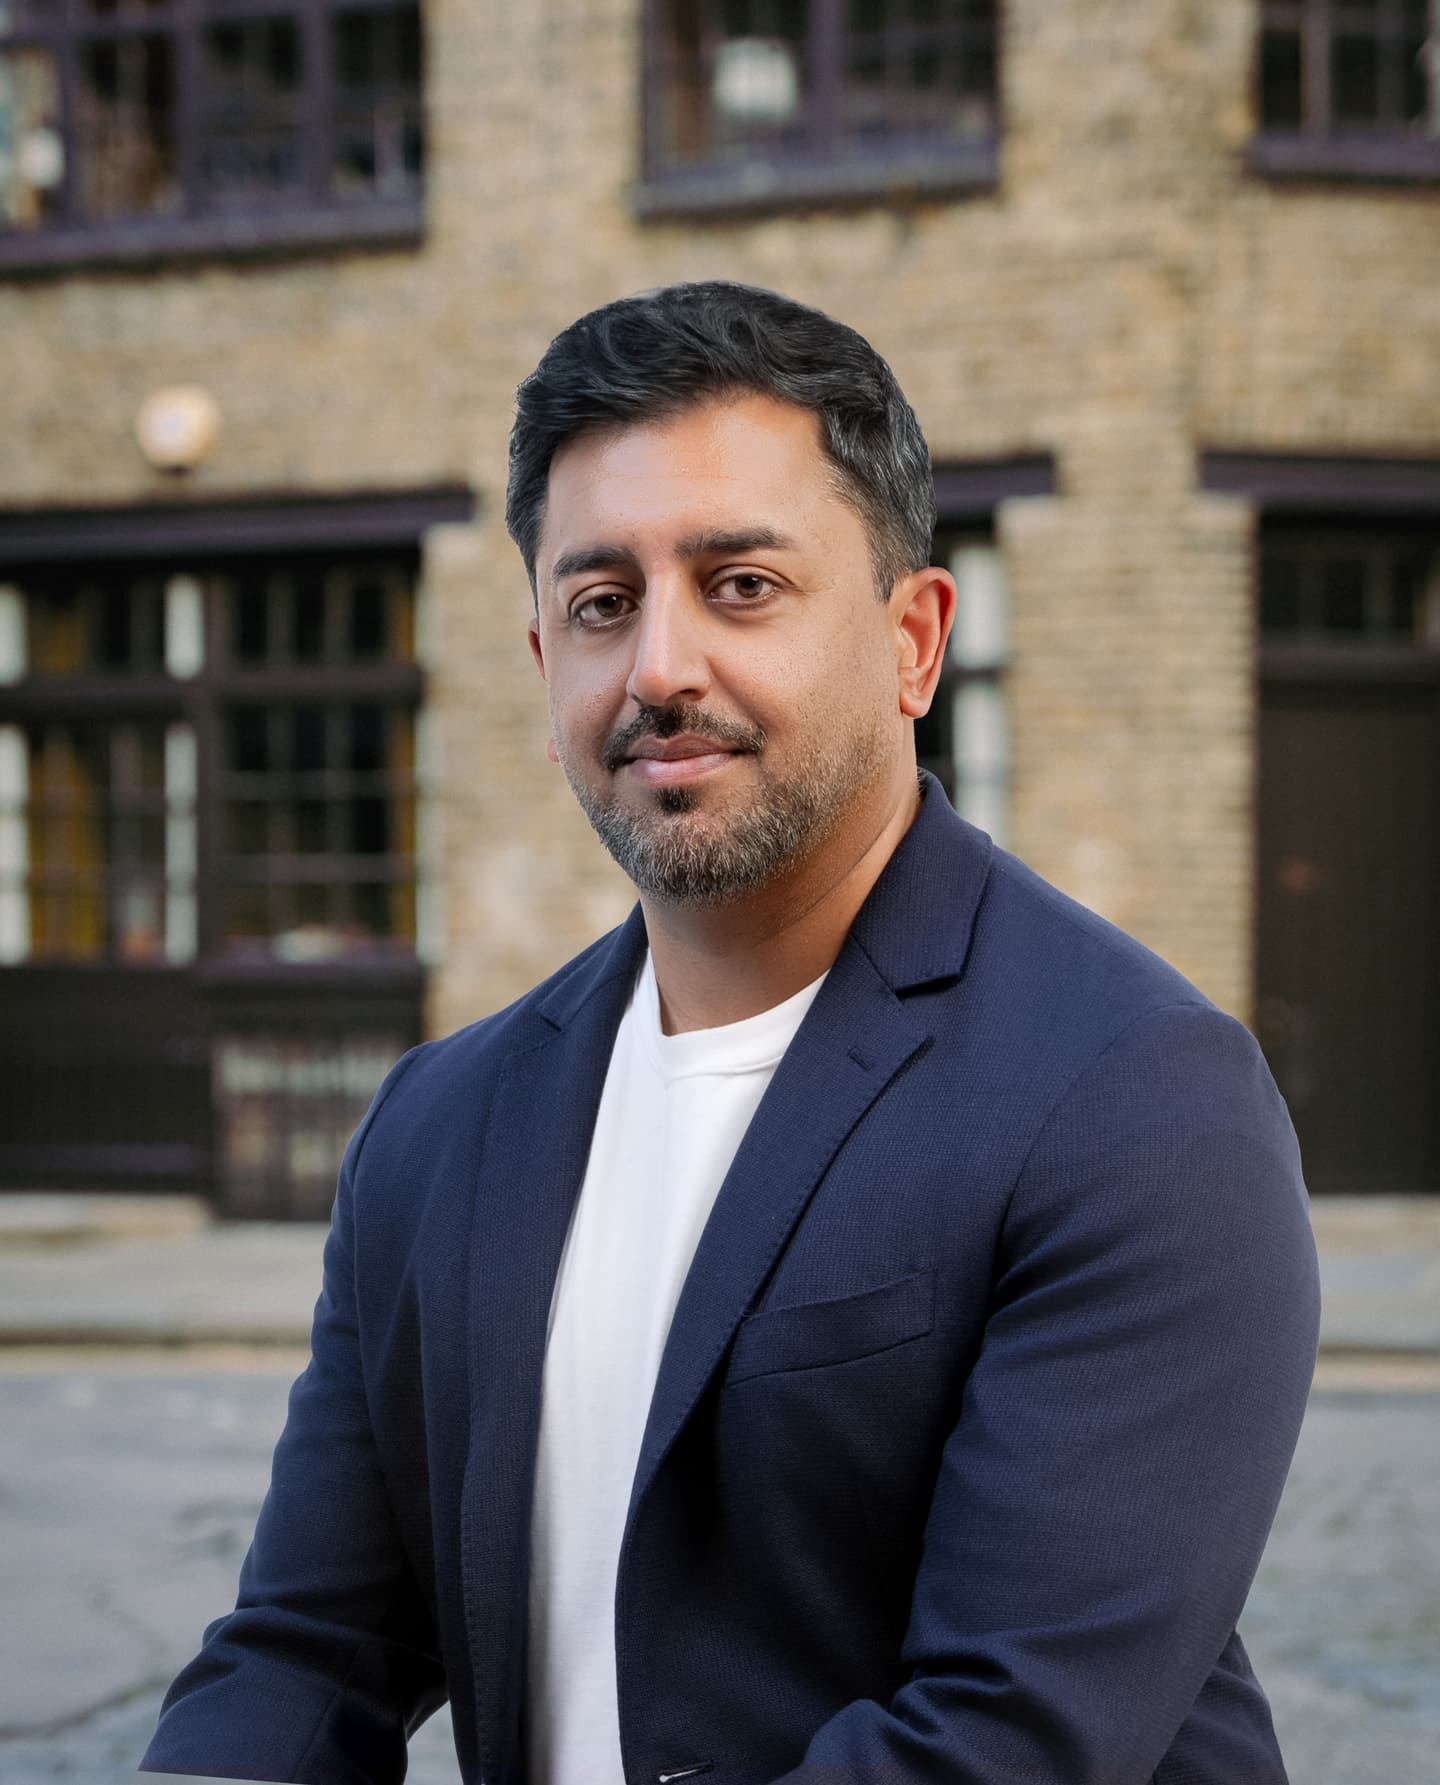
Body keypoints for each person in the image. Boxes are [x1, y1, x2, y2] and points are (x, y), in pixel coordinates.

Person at [141, 282, 1321, 1785]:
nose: (659, 669)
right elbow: (305, 1652)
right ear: (544, 657)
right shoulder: (440, 1124)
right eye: (601, 602)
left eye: (742, 583)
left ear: (913, 639)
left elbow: (1002, 1741)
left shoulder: (1139, 1101)